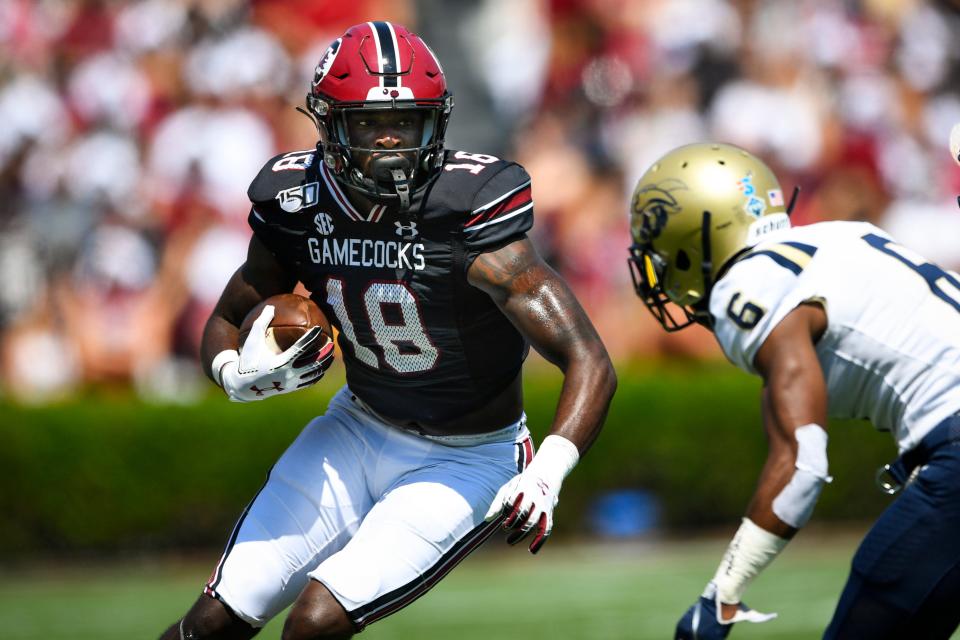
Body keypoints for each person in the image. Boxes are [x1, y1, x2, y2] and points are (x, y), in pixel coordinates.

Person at [160, 21, 616, 640]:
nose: (391, 142)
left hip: (468, 457)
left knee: (314, 623)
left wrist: (548, 471)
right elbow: (225, 316)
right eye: (370, 124)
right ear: (328, 125)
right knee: (213, 621)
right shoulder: (296, 201)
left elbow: (589, 357)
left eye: (408, 123)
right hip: (355, 428)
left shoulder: (465, 207)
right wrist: (233, 374)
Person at [627, 142, 960, 639]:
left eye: (662, 249)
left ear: (697, 235)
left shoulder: (748, 285)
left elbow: (803, 463)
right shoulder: (842, 236)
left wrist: (721, 595)